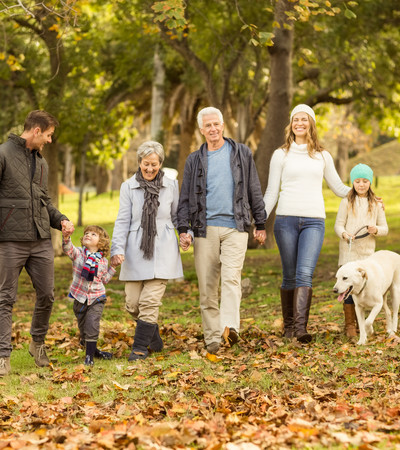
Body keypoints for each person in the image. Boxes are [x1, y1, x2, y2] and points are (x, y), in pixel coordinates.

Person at [177, 106, 267, 355]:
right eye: (208, 125)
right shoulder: (194, 160)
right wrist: (183, 229)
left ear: (223, 125)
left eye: (216, 124)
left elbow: (253, 188)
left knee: (231, 278)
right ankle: (213, 338)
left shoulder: (241, 153)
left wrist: (260, 223)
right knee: (207, 286)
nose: (213, 129)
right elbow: (184, 197)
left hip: (235, 227)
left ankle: (229, 327)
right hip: (204, 230)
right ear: (201, 130)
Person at [263, 104, 350, 343]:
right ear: (291, 124)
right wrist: (258, 220)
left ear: (311, 123)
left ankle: (300, 329)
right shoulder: (281, 154)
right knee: (289, 275)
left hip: (314, 221)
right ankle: (288, 328)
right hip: (285, 221)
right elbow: (271, 192)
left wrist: (364, 192)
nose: (299, 123)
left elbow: (339, 188)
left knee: (304, 274)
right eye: (295, 119)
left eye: (304, 119)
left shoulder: (322, 155)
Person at [0, 110, 74, 377]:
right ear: (36, 131)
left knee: (47, 294)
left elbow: (45, 202)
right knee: (5, 298)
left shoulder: (41, 163)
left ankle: (37, 344)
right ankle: (2, 356)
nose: (50, 141)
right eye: (49, 135)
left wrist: (61, 220)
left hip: (41, 239)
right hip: (10, 240)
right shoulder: (3, 155)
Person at [110, 141, 183, 361]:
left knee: (149, 302)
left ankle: (140, 348)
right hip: (135, 251)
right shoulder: (128, 186)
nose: (149, 169)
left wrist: (185, 234)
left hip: (163, 249)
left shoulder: (171, 185)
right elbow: (122, 220)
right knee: (133, 304)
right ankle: (153, 336)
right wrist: (117, 249)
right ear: (139, 163)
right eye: (145, 164)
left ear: (160, 163)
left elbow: (177, 215)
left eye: (154, 164)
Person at [334, 163, 388, 337]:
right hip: (349, 253)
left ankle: (362, 324)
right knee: (347, 286)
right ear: (353, 182)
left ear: (370, 182)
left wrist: (376, 230)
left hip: (367, 255)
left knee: (363, 287)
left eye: (365, 181)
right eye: (357, 181)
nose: (361, 184)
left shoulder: (376, 204)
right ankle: (349, 325)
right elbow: (338, 225)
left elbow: (385, 228)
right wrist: (344, 234)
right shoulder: (346, 202)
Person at [62, 225, 118, 366]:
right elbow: (68, 249)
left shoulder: (103, 262)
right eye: (87, 233)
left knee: (92, 324)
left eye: (93, 234)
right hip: (79, 297)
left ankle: (89, 358)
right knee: (84, 330)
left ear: (101, 242)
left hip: (97, 297)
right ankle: (95, 351)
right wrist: (66, 237)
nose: (88, 235)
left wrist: (113, 268)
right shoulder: (79, 254)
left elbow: (104, 280)